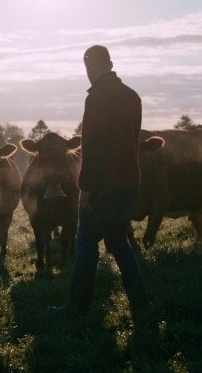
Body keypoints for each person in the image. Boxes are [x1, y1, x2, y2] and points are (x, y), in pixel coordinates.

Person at [50, 45, 147, 314]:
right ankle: (140, 301)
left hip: (103, 185)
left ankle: (76, 306)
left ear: (91, 66)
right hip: (128, 183)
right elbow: (132, 143)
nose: (88, 73)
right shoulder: (132, 96)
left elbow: (93, 146)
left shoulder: (97, 98)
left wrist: (87, 189)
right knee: (119, 242)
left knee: (85, 245)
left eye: (89, 67)